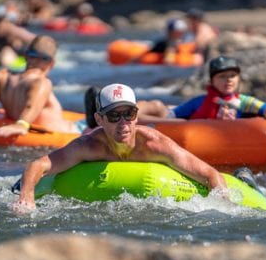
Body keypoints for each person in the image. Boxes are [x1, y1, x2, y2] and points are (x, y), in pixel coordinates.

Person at [12, 83, 228, 212]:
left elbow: (210, 175)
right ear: (100, 119)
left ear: (136, 117)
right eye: (114, 116)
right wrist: (26, 197)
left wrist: (224, 206)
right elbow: (37, 164)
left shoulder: (154, 144)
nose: (123, 123)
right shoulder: (89, 145)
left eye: (129, 114)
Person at [136, 56, 266, 121]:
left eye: (232, 75)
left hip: (233, 137)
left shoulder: (243, 102)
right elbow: (172, 114)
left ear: (239, 78)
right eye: (222, 76)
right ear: (211, 81)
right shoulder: (198, 102)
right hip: (197, 130)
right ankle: (130, 114)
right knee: (156, 105)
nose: (228, 80)